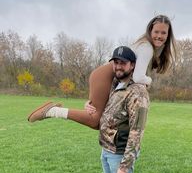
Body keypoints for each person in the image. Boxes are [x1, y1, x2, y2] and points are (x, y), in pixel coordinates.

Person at [27, 15, 176, 127]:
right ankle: (52, 111)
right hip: (105, 76)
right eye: (156, 31)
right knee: (95, 121)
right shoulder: (146, 48)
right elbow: (138, 77)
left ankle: (52, 110)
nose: (159, 36)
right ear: (150, 31)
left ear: (168, 35)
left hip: (106, 77)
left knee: (101, 119)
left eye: (163, 33)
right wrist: (149, 81)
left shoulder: (147, 46)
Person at [94, 46, 149, 173]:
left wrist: (125, 165)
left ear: (132, 65)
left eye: (123, 62)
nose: (118, 66)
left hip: (120, 153)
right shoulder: (115, 85)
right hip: (106, 148)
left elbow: (137, 130)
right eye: (116, 62)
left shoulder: (138, 92)